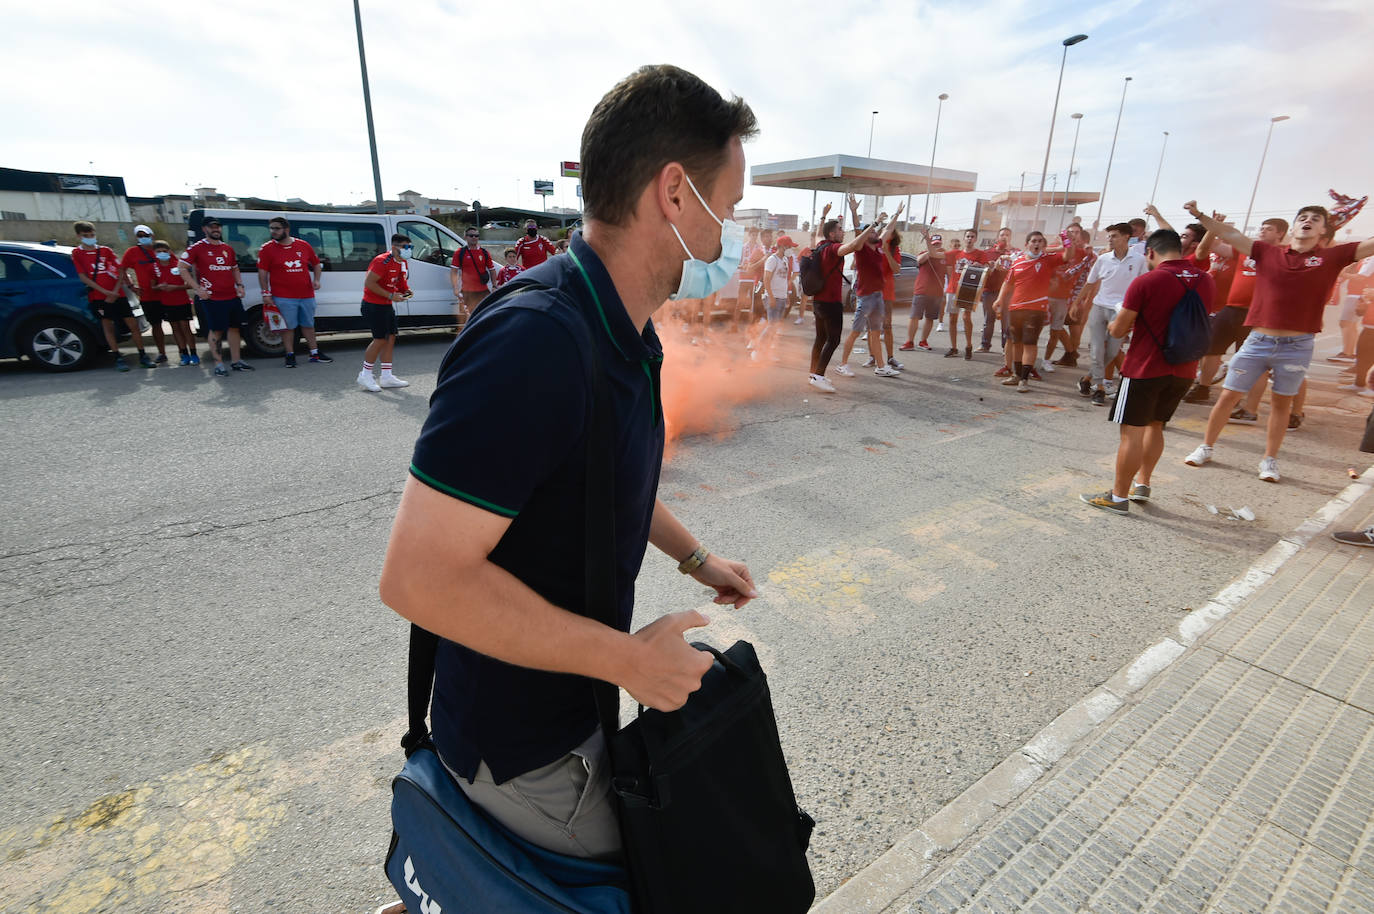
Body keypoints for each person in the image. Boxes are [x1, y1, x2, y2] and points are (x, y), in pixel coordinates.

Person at [379, 64, 759, 862]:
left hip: (570, 712)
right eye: (726, 210)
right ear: (675, 194)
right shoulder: (538, 340)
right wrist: (629, 663)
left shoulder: (623, 326)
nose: (728, 238)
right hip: (525, 748)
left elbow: (606, 476)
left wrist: (696, 558)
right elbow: (419, 579)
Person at [1183, 201, 1374, 482]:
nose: (1308, 221)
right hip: (1258, 341)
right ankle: (1206, 447)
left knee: (1281, 404)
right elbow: (1232, 235)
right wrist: (1200, 216)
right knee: (1228, 396)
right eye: (1303, 217)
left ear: (1323, 231)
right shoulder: (1267, 252)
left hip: (1297, 346)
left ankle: (1269, 460)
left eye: (1315, 219)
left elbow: (1370, 246)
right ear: (1294, 227)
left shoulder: (1332, 256)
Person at [1080, 230, 1215, 514]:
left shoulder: (1147, 281)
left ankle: (1118, 497)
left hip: (1145, 367)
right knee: (1156, 425)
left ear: (1150, 252)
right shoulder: (1205, 280)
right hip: (1184, 368)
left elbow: (1118, 330)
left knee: (1131, 433)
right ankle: (1143, 483)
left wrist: (1116, 319)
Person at [1183, 218, 1288, 404]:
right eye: (1262, 227)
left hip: (1257, 314)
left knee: (1249, 360)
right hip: (1230, 309)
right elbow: (1213, 245)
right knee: (1210, 350)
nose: (1262, 231)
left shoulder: (1283, 254)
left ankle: (1239, 399)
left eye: (1269, 229)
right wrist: (1211, 224)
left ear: (1280, 234)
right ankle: (1203, 388)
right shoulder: (1243, 249)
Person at [1072, 223, 1148, 405]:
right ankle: (1099, 388)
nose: (1110, 239)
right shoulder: (1103, 259)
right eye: (1109, 236)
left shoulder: (1139, 260)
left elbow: (1144, 285)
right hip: (1099, 307)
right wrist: (1076, 303)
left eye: (1114, 236)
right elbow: (1090, 283)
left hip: (1122, 311)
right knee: (1097, 349)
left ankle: (1087, 379)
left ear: (1126, 237)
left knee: (1112, 351)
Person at [992, 231, 1073, 392]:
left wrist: (1067, 241)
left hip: (1036, 309)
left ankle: (1024, 379)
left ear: (1043, 245)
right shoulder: (1017, 262)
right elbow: (1007, 283)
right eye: (1033, 241)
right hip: (1015, 308)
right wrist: (999, 299)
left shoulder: (1048, 260)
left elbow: (1067, 255)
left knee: (1029, 344)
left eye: (1040, 241)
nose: (1036, 244)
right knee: (1016, 343)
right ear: (1027, 244)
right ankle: (1016, 375)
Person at [810, 204, 876, 392]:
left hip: (818, 301)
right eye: (840, 229)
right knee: (833, 340)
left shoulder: (820, 245)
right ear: (832, 234)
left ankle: (813, 374)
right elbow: (854, 245)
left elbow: (818, 234)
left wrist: (823, 216)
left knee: (820, 339)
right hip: (830, 303)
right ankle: (818, 376)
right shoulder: (833, 248)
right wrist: (873, 225)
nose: (843, 231)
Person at [71, 221, 152, 371]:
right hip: (99, 296)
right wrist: (106, 293)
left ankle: (143, 355)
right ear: (79, 236)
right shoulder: (77, 253)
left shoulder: (105, 250)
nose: (90, 238)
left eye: (92, 235)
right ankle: (117, 357)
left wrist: (115, 291)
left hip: (118, 294)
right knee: (108, 327)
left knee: (133, 324)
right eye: (86, 235)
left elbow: (120, 270)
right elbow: (83, 277)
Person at [256, 216, 330, 368]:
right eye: (271, 228)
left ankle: (314, 353)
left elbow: (316, 264)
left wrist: (317, 280)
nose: (273, 231)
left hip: (306, 295)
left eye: (277, 228)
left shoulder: (303, 245)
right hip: (283, 296)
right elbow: (262, 272)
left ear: (286, 229)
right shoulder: (266, 249)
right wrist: (265, 292)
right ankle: (290, 355)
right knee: (288, 327)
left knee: (308, 325)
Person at [182, 217, 252, 376]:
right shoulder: (197, 248)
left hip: (231, 296)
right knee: (217, 331)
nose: (215, 229)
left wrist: (240, 285)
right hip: (212, 298)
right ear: (204, 229)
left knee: (235, 328)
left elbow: (234, 268)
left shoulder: (227, 248)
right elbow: (182, 267)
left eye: (218, 226)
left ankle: (236, 361)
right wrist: (197, 288)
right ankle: (219, 364)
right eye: (211, 227)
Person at [836, 207, 901, 379]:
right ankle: (842, 365)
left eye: (874, 231)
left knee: (875, 333)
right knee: (855, 332)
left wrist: (897, 214)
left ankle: (881, 366)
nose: (874, 232)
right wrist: (855, 212)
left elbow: (888, 229)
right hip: (865, 297)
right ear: (865, 235)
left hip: (878, 296)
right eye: (871, 231)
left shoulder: (879, 245)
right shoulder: (861, 248)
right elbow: (858, 229)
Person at [359, 234, 413, 392]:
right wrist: (390, 295)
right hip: (373, 306)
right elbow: (369, 283)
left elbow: (401, 282)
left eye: (410, 247)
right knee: (380, 339)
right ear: (395, 247)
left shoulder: (402, 262)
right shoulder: (382, 261)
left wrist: (406, 291)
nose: (409, 250)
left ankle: (386, 376)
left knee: (390, 338)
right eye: (406, 247)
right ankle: (365, 375)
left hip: (386, 306)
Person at [1041, 223, 1095, 371]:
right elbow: (1039, 251)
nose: (1073, 235)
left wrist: (1086, 300)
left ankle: (1069, 356)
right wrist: (1060, 247)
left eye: (1076, 232)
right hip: (1049, 295)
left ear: (1080, 235)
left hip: (1073, 297)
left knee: (1073, 328)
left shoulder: (1084, 253)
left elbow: (1093, 273)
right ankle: (1071, 353)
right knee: (1053, 327)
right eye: (1070, 232)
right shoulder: (1054, 248)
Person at [119, 225, 169, 364]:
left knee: (177, 324)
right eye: (140, 235)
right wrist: (131, 286)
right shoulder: (132, 252)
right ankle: (162, 353)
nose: (143, 238)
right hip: (148, 296)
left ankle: (184, 352)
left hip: (167, 294)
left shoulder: (161, 249)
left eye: (145, 235)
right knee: (156, 325)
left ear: (152, 236)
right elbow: (122, 269)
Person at [150, 241, 198, 364]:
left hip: (182, 302)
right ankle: (184, 354)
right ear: (154, 253)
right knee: (175, 329)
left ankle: (194, 354)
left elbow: (189, 284)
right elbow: (153, 286)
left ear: (169, 251)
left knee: (185, 328)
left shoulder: (178, 265)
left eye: (164, 251)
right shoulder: (154, 267)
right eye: (159, 251)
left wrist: (175, 287)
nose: (162, 253)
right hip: (167, 303)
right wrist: (160, 287)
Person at [902, 226, 946, 353]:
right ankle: (909, 341)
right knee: (914, 316)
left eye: (938, 244)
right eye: (934, 244)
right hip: (921, 290)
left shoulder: (944, 256)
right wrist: (930, 251)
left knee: (930, 318)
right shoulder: (924, 254)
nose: (936, 246)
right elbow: (919, 260)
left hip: (937, 292)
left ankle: (923, 341)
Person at [978, 227, 1020, 354]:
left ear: (1011, 237)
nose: (1004, 237)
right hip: (989, 290)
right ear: (997, 237)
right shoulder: (988, 252)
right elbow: (983, 272)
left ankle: (1005, 347)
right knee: (988, 319)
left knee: (1006, 321)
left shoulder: (1016, 253)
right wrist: (993, 267)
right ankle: (985, 345)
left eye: (1007, 235)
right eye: (1002, 235)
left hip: (1008, 292)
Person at [451, 228, 495, 322]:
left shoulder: (484, 252)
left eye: (476, 236)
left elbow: (492, 270)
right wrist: (455, 287)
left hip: (483, 292)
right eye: (471, 235)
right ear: (465, 237)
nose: (474, 238)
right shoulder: (460, 252)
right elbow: (454, 271)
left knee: (486, 316)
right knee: (469, 318)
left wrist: (494, 285)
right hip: (467, 292)